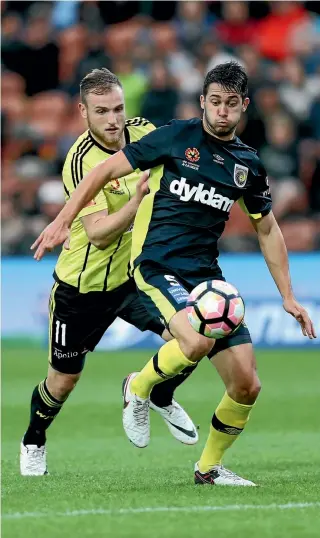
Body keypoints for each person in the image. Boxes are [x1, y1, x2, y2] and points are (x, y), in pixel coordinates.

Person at [31, 62, 316, 486]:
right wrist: (61, 220)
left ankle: (208, 469)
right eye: (215, 102)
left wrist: (288, 296)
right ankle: (139, 386)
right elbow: (104, 171)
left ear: (244, 107)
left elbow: (267, 228)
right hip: (156, 265)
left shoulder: (247, 164)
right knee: (195, 339)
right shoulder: (174, 137)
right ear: (203, 102)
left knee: (247, 385)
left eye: (231, 105)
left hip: (207, 276)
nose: (222, 112)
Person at [20, 68, 199, 477]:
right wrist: (137, 203)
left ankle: (153, 391)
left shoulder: (145, 132)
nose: (113, 119)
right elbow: (98, 235)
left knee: (193, 337)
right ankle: (33, 440)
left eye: (118, 108)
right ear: (83, 112)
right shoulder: (81, 161)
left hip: (135, 278)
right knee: (62, 383)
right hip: (82, 288)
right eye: (102, 111)